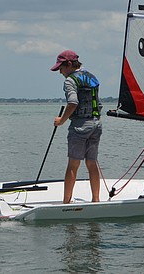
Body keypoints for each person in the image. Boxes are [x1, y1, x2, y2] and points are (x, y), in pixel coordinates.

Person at [50, 49, 103, 204]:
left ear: (69, 64)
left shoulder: (70, 80)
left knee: (73, 164)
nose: (60, 72)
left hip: (80, 126)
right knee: (91, 163)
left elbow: (73, 102)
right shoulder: (92, 77)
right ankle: (96, 200)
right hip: (96, 124)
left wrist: (61, 120)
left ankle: (66, 202)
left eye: (61, 68)